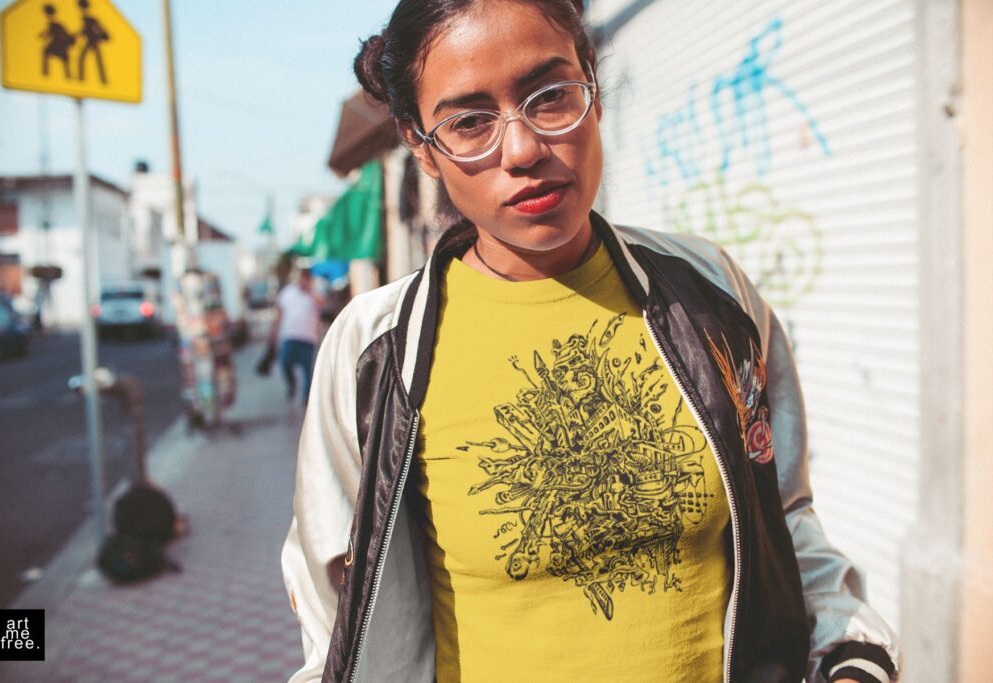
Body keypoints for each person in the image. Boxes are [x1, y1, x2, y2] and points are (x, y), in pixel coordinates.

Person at [280, 1, 900, 682]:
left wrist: (849, 654)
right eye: (468, 122)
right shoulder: (374, 353)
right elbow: (337, 619)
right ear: (422, 146)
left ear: (595, 89)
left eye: (550, 97)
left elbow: (785, 521)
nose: (521, 150)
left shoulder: (711, 293)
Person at [269, 269, 322, 403]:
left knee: (307, 370)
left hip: (308, 338)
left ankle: (306, 398)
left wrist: (310, 293)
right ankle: (292, 385)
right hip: (290, 336)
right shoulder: (287, 293)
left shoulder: (314, 293)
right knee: (285, 363)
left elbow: (322, 304)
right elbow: (279, 312)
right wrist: (273, 332)